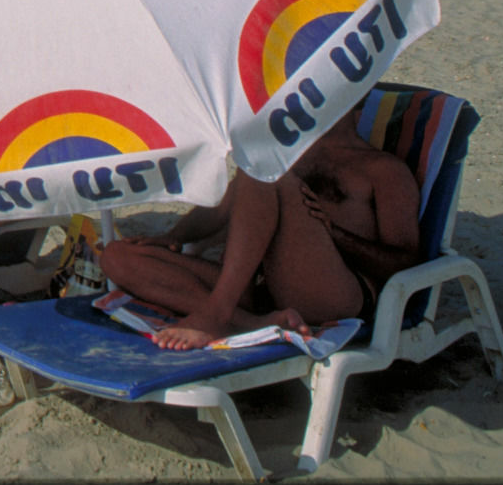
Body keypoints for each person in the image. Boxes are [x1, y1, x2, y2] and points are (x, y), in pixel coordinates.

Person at [96, 116, 421, 350]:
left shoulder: (382, 169)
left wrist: (335, 234)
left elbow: (405, 261)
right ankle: (252, 323)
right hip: (257, 284)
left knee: (264, 170)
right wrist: (173, 236)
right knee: (116, 257)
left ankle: (217, 313)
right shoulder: (292, 152)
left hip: (334, 291)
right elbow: (221, 212)